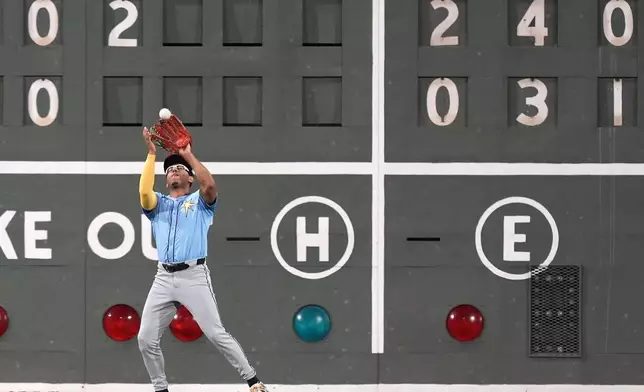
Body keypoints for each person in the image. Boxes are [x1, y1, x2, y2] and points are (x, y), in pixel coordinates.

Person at [137, 126, 268, 392]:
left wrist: (188, 155)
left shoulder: (199, 202)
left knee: (215, 333)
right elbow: (143, 193)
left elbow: (210, 185)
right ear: (166, 180)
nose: (174, 170)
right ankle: (160, 389)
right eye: (170, 170)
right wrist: (151, 155)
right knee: (145, 338)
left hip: (193, 276)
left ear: (190, 178)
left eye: (180, 169)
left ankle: (253, 381)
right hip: (163, 277)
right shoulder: (158, 204)